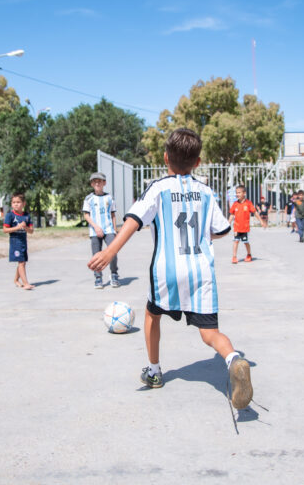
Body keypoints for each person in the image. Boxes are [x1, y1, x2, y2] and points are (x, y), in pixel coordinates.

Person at [87, 128, 254, 410]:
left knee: (153, 315)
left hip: (167, 271)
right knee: (210, 333)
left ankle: (154, 371)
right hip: (201, 271)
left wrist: (110, 250)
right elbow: (223, 229)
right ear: (198, 162)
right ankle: (233, 360)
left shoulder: (159, 188)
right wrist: (204, 236)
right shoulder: (206, 191)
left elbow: (134, 220)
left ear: (166, 158)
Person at [83, 171, 120, 289]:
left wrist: (114, 230)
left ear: (104, 183)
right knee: (96, 255)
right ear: (91, 184)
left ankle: (114, 274)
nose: (97, 183)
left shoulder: (109, 198)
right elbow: (86, 215)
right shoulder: (89, 198)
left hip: (109, 229)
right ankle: (98, 278)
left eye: (99, 181)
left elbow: (113, 214)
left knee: (113, 252)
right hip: (95, 230)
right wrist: (96, 227)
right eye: (94, 181)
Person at [2, 193, 34, 290]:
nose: (16, 204)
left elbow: (31, 231)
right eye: (14, 202)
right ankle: (25, 283)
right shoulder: (10, 215)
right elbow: (5, 230)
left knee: (22, 262)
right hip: (15, 242)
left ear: (24, 204)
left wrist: (26, 227)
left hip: (23, 242)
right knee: (21, 262)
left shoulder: (27, 216)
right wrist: (18, 227)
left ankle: (16, 280)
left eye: (18, 202)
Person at [228, 185, 264, 263]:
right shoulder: (235, 204)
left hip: (245, 228)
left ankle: (249, 254)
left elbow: (255, 212)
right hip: (236, 228)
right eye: (236, 193)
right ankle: (234, 257)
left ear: (244, 193)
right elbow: (231, 214)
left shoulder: (248, 203)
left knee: (246, 242)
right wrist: (228, 224)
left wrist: (261, 221)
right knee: (235, 241)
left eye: (239, 192)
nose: (237, 194)